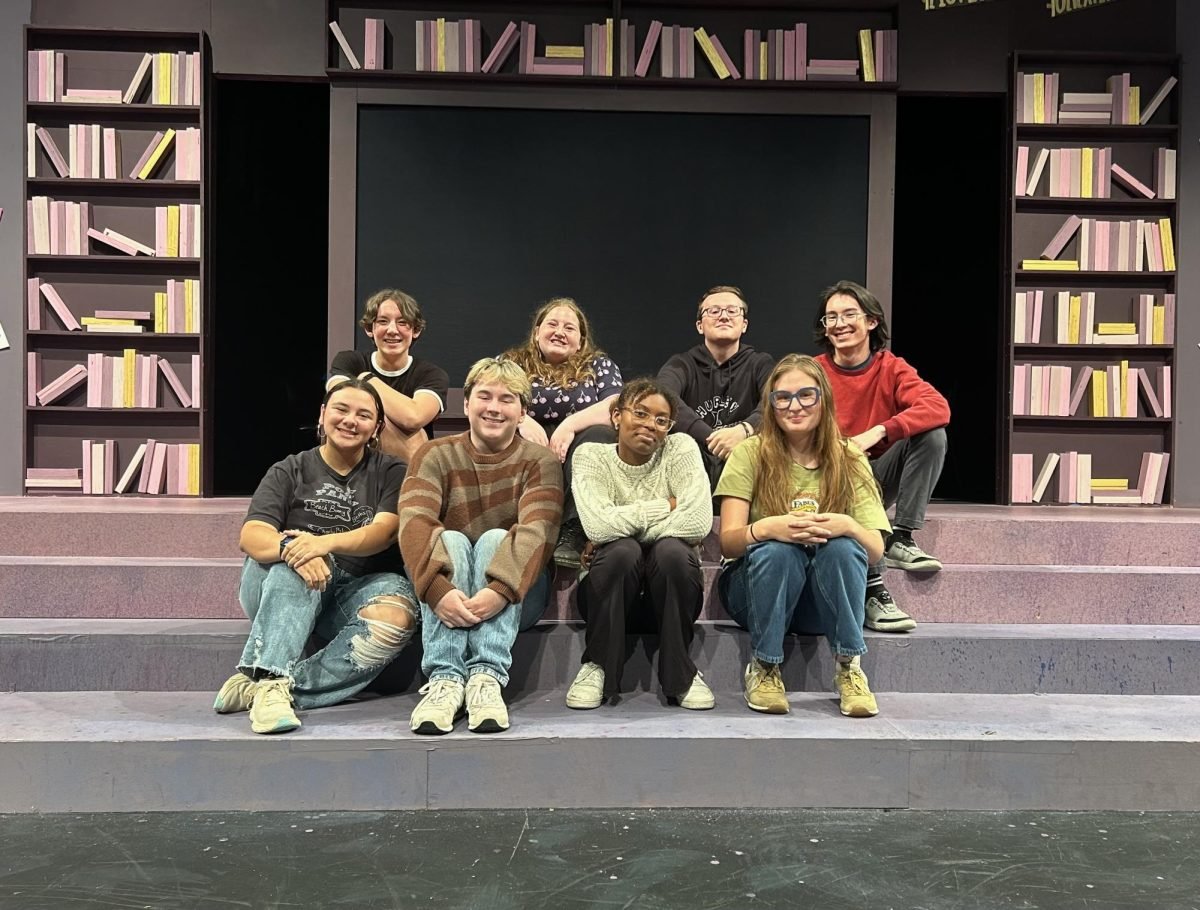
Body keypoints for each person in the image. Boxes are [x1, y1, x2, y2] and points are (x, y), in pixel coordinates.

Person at [214, 378, 418, 734]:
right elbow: (252, 535)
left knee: (397, 616)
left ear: (377, 428)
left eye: (364, 415)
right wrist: (292, 549)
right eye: (341, 409)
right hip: (281, 587)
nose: (350, 420)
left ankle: (270, 686)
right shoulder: (288, 469)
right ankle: (272, 680)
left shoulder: (391, 472)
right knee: (294, 562)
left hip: (355, 587)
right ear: (322, 415)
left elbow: (384, 532)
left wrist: (323, 544)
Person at [715, 354, 890, 718]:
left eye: (806, 395)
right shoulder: (749, 453)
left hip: (819, 599)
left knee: (844, 547)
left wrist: (848, 525)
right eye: (783, 397)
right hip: (754, 591)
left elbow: (874, 551)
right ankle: (763, 666)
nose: (794, 406)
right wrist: (767, 528)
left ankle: (849, 668)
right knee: (779, 551)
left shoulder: (849, 458)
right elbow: (728, 542)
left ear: (823, 399)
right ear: (771, 405)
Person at [399, 357, 563, 735]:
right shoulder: (433, 454)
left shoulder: (540, 461)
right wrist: (438, 591)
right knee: (450, 539)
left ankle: (487, 677)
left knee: (495, 539)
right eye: (484, 396)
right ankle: (446, 680)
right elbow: (415, 523)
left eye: (507, 399)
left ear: (523, 412)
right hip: (444, 590)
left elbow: (538, 531)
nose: (494, 407)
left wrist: (499, 590)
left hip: (519, 594)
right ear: (466, 404)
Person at [566, 378, 715, 710]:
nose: (651, 425)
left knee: (672, 552)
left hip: (669, 597)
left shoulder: (681, 448)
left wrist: (625, 530)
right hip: (610, 596)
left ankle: (681, 674)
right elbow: (596, 524)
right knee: (622, 552)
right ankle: (598, 666)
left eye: (662, 420)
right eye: (641, 413)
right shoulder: (591, 456)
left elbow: (698, 520)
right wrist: (666, 506)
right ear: (617, 416)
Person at [812, 280, 950, 634]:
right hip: (827, 479)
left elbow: (938, 407)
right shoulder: (813, 371)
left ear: (871, 322)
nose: (839, 324)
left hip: (877, 473)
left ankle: (901, 536)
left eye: (848, 314)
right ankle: (874, 591)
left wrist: (880, 431)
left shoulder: (891, 367)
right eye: (831, 318)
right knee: (848, 467)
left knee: (932, 434)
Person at [501, 297, 623, 567]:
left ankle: (573, 532)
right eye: (552, 324)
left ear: (580, 340)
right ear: (536, 333)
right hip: (525, 437)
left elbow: (615, 406)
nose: (559, 332)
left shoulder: (599, 365)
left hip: (579, 439)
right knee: (503, 434)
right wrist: (522, 419)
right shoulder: (511, 362)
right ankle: (523, 528)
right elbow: (491, 397)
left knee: (599, 438)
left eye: (569, 328)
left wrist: (569, 426)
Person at [657, 285, 775, 488]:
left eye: (732, 311)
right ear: (700, 325)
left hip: (747, 454)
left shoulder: (760, 363)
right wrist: (713, 439)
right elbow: (663, 396)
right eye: (714, 311)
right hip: (694, 458)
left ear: (744, 324)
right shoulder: (682, 364)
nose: (724, 317)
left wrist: (743, 430)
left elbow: (775, 400)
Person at [328, 288, 450, 464]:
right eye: (383, 321)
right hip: (354, 461)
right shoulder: (349, 361)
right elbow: (339, 401)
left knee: (415, 439)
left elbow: (413, 418)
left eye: (402, 322)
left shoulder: (431, 374)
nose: (392, 330)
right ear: (370, 329)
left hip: (409, 470)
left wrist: (367, 379)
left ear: (415, 331)